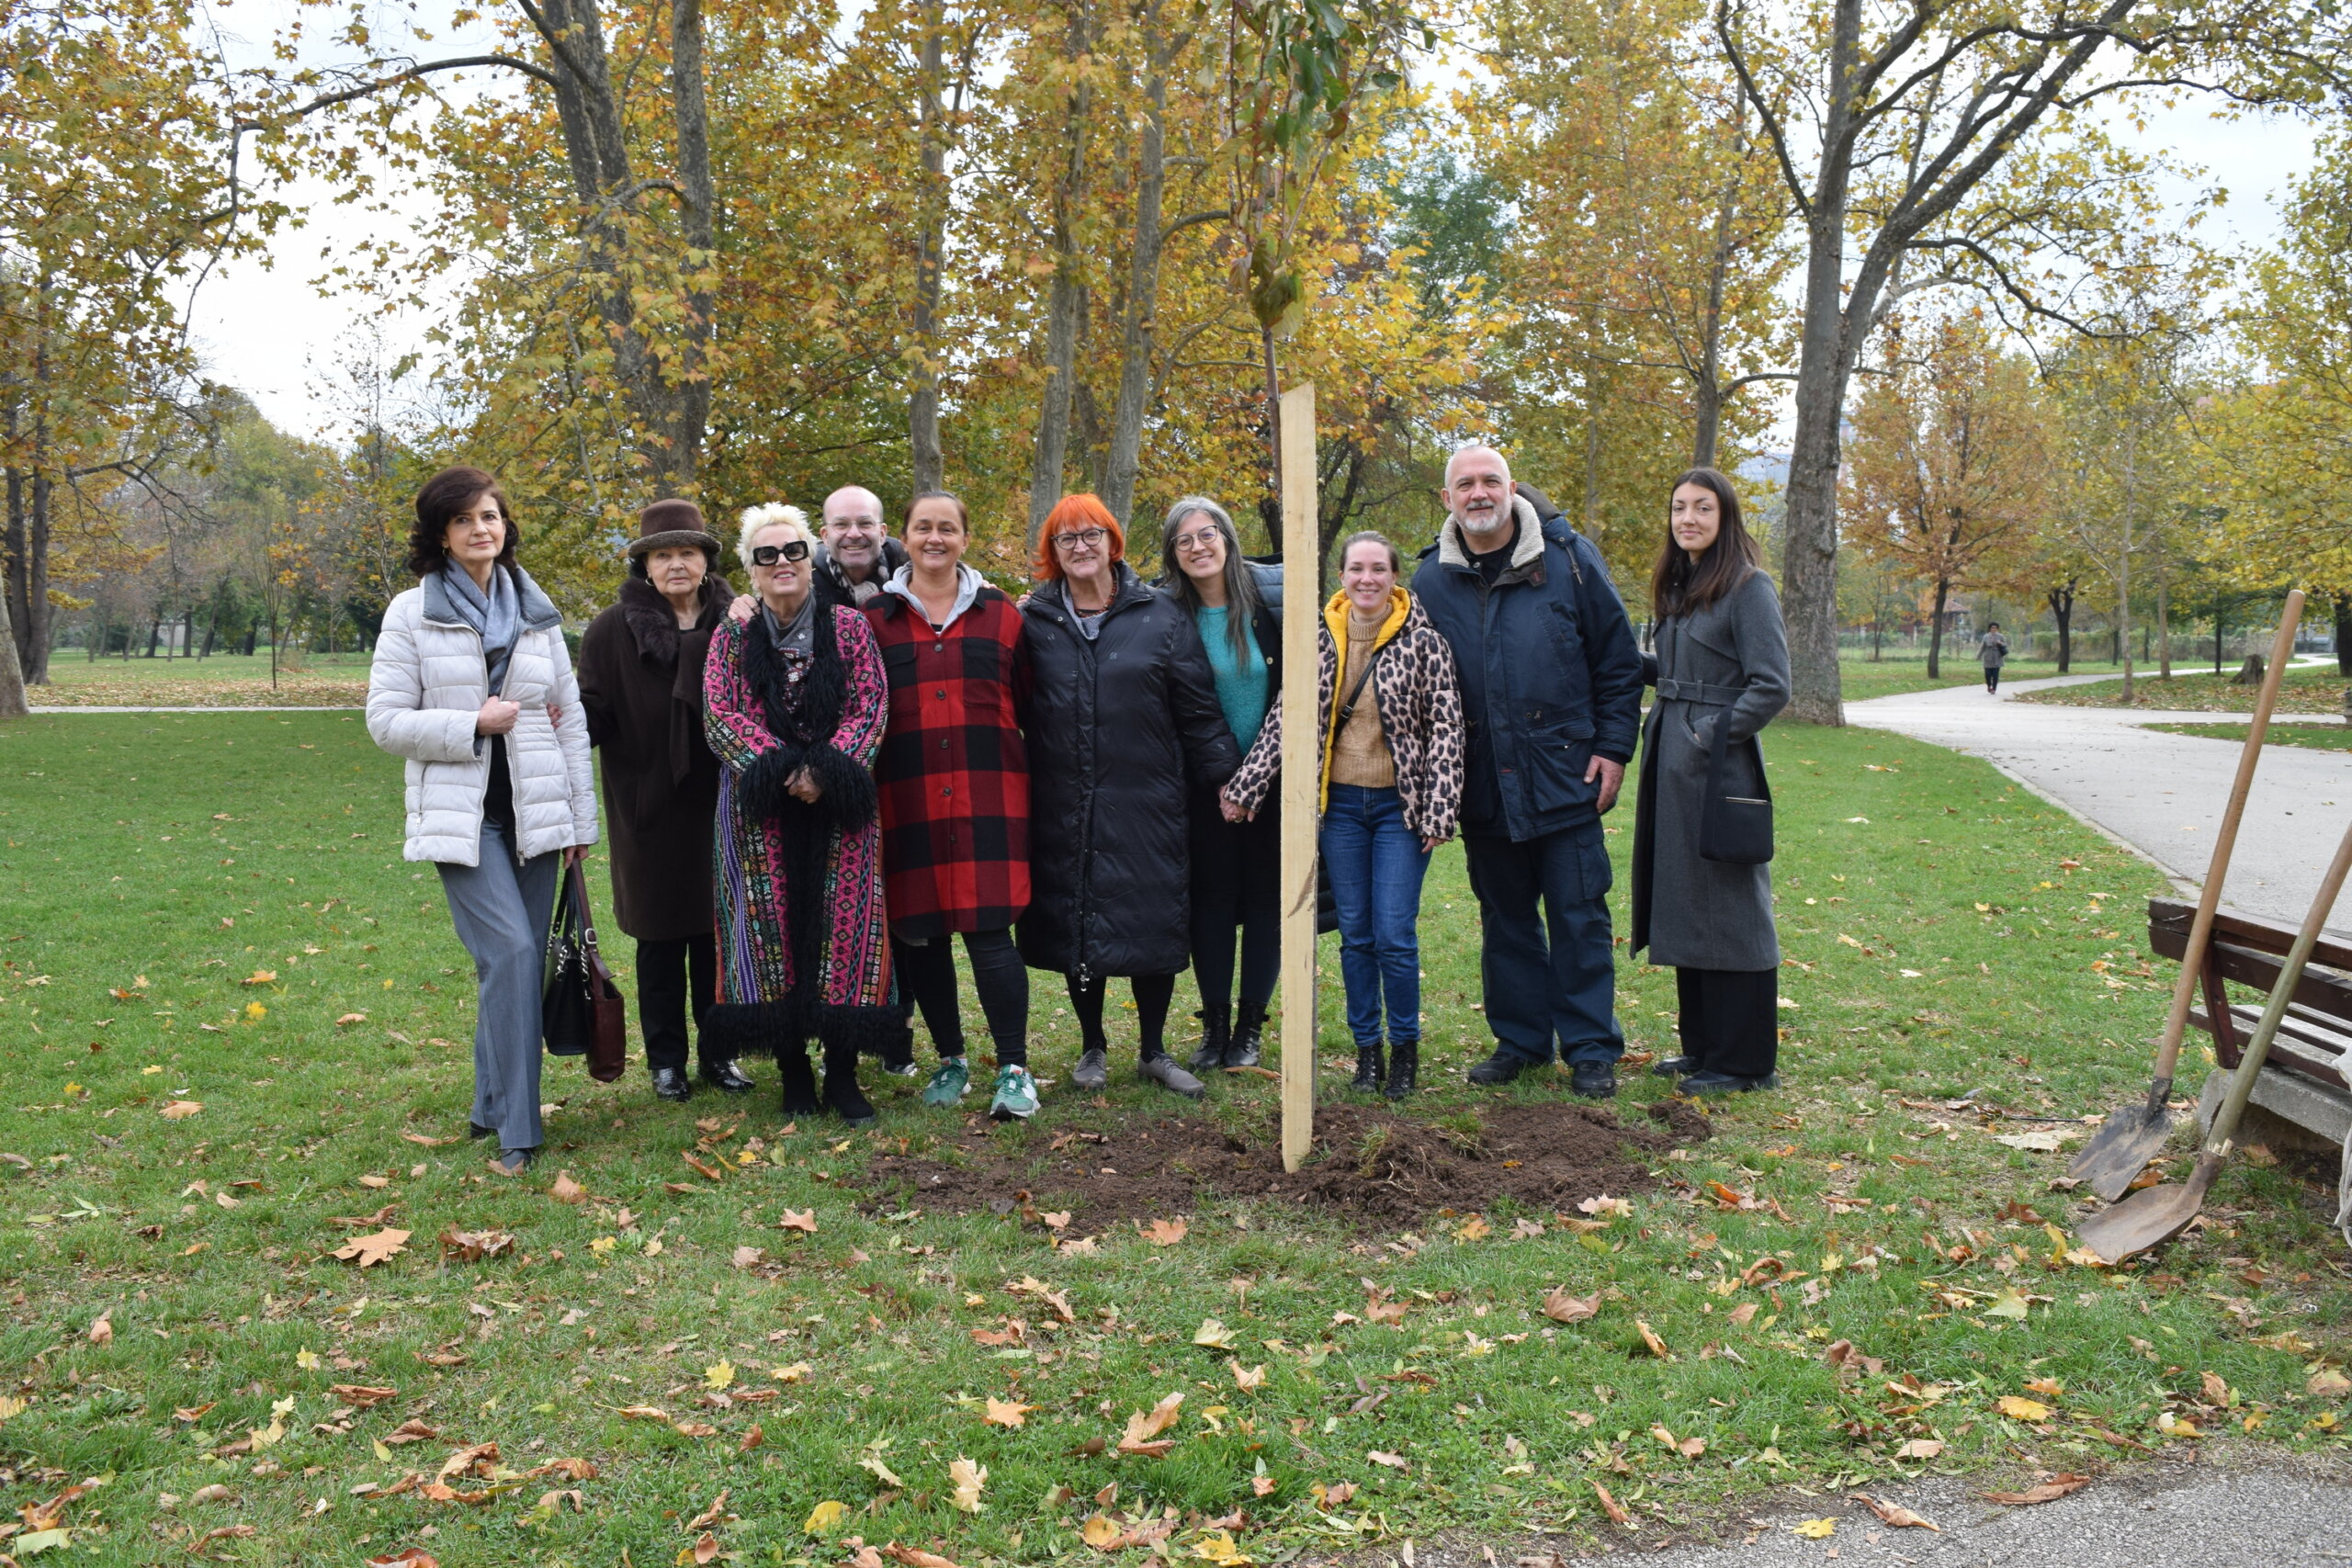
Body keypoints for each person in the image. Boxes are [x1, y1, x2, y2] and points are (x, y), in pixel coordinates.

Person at [367, 466, 597, 1175]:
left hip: (537, 817)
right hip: (465, 823)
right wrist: (472, 720)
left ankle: (486, 1103)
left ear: (506, 526)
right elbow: (384, 720)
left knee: (512, 971)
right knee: (514, 957)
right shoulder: (412, 612)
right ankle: (519, 1134)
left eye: (490, 516)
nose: (480, 529)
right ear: (442, 534)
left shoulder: (537, 609)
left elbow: (567, 716)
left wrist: (581, 821)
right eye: (465, 519)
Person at [1412, 445, 1645, 1099]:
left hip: (1566, 773)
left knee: (1579, 916)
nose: (1479, 493)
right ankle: (1521, 1042)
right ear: (1447, 499)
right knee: (1505, 918)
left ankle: (1591, 1048)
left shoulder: (1569, 558)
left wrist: (1614, 747)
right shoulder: (1431, 580)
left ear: (1512, 488)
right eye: (1465, 484)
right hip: (1483, 784)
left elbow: (1619, 661)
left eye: (1490, 480)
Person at [1223, 532, 1463, 1099]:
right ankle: (1367, 1054)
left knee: (1394, 936)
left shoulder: (1424, 642)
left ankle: (1405, 1052)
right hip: (1340, 813)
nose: (1367, 579)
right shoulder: (1318, 641)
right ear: (1342, 575)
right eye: (1357, 569)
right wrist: (1246, 786)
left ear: (1395, 577)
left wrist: (1439, 810)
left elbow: (1447, 727)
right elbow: (1285, 718)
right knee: (1355, 936)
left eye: (1379, 569)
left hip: (1398, 812)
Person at [1018, 492, 1239, 1099]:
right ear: (1053, 554)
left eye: (1092, 534)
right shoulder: (1034, 622)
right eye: (1067, 539)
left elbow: (1199, 712)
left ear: (1113, 542)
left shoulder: (1160, 616)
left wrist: (1229, 780)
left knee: (1150, 922)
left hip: (1148, 799)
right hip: (1064, 800)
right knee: (1078, 919)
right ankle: (1092, 1044)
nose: (1081, 546)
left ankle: (1153, 1049)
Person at [702, 503, 895, 1124]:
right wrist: (783, 770)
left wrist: (826, 772)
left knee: (846, 935)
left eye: (792, 552)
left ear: (810, 560)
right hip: (760, 810)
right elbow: (720, 711)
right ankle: (791, 1073)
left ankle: (843, 1075)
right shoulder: (732, 634)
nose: (781, 563)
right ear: (751, 569)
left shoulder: (849, 626)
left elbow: (871, 704)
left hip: (841, 806)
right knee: (771, 935)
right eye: (767, 555)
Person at [865, 491, 1040, 1121]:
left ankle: (1015, 1069)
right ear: (903, 537)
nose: (934, 538)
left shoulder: (1003, 615)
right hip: (905, 798)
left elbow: (1025, 700)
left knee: (992, 937)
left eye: (947, 528)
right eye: (923, 528)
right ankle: (951, 1059)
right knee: (922, 938)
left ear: (965, 538)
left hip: (987, 799)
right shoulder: (874, 618)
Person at [576, 500, 750, 1103]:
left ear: (706, 560)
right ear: (644, 565)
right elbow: (590, 717)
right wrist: (564, 713)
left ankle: (720, 1055)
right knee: (658, 942)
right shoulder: (610, 630)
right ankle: (666, 1062)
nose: (677, 564)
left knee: (717, 940)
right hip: (648, 808)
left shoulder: (740, 623)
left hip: (725, 806)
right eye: (663, 554)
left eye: (688, 552)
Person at [1632, 468, 1791, 1095]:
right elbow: (1675, 670)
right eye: (1678, 507)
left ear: (1726, 518)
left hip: (1716, 763)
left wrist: (1708, 736)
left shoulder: (1750, 587)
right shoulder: (1681, 587)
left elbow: (1771, 684)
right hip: (1670, 761)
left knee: (1728, 904)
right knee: (1683, 900)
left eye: (1702, 508)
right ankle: (1702, 1048)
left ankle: (1746, 1061)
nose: (1688, 518)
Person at [1157, 496, 1283, 1073]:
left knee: (1263, 904)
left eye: (1207, 534)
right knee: (1210, 905)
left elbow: (1292, 696)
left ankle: (1250, 1029)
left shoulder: (1269, 606)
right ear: (1172, 555)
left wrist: (1254, 778)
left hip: (1273, 784)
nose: (1197, 547)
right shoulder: (1165, 614)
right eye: (1184, 541)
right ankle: (1212, 1028)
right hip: (1201, 789)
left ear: (1227, 539)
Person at [815, 485, 910, 608]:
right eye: (841, 524)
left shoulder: (911, 572)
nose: (854, 534)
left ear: (882, 533)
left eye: (865, 523)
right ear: (825, 536)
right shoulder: (805, 584)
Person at [1979, 621, 2010, 694]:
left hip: (1997, 657)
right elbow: (1982, 647)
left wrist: (2000, 643)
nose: (1994, 629)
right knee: (1987, 675)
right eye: (1992, 628)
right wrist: (1978, 656)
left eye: (1995, 628)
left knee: (1995, 675)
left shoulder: (2000, 636)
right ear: (1990, 628)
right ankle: (1989, 685)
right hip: (1987, 657)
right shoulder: (1986, 636)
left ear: (1997, 629)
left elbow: (2006, 645)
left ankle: (1994, 689)